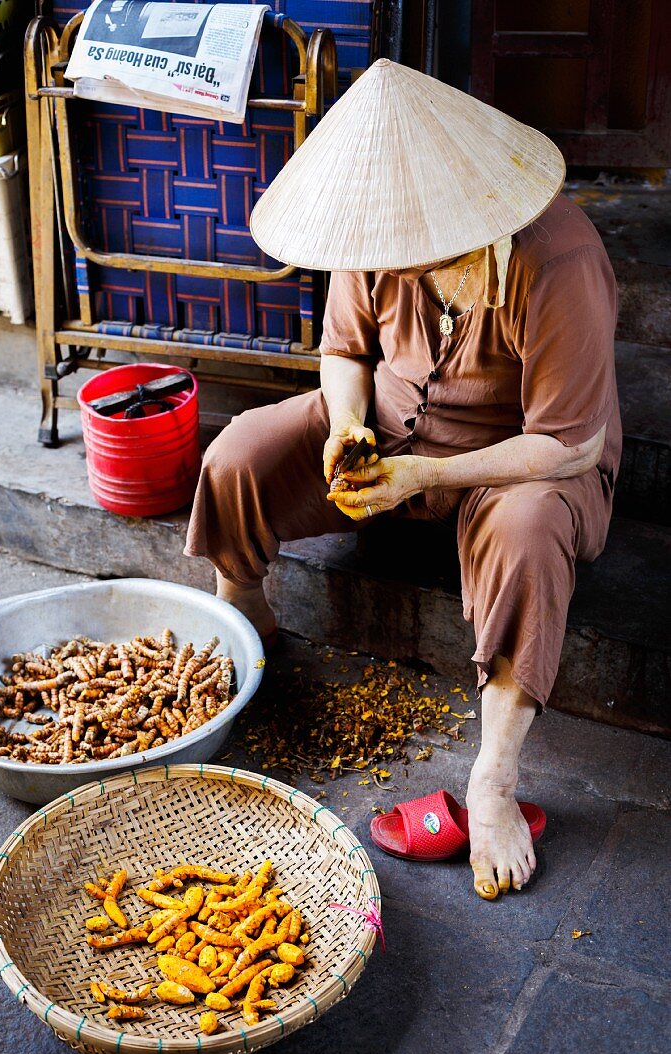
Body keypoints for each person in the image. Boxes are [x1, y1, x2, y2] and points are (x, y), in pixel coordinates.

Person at [184, 60, 621, 901]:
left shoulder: (558, 259)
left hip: (523, 460)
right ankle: (245, 610)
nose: (400, 262)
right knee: (238, 449)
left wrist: (428, 471)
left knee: (527, 530)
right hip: (393, 431)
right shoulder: (376, 233)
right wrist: (349, 425)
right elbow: (344, 353)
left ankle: (492, 779)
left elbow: (567, 441)